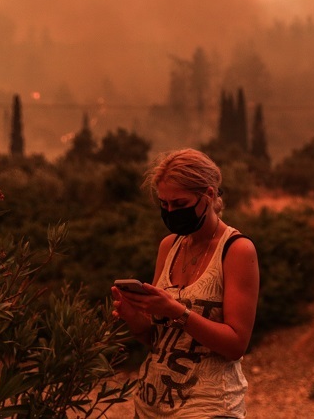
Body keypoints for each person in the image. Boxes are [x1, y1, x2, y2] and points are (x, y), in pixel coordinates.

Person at [111, 149, 260, 418]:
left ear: (210, 195)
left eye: (180, 204)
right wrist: (134, 317)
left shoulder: (237, 250)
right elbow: (159, 340)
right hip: (150, 406)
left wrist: (177, 312)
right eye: (164, 205)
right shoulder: (169, 246)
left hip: (209, 406)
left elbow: (236, 344)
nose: (170, 212)